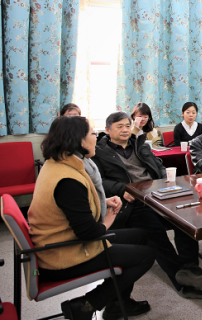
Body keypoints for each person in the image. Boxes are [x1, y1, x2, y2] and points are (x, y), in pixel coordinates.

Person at [29, 116, 154, 320]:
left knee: (140, 235)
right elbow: (89, 232)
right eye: (93, 134)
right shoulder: (67, 179)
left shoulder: (58, 163)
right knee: (146, 256)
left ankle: (118, 304)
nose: (96, 138)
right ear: (78, 140)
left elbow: (76, 205)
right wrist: (108, 219)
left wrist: (104, 201)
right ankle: (86, 305)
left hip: (60, 243)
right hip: (62, 255)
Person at [93, 112, 202, 299]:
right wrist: (122, 189)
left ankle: (191, 268)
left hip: (158, 193)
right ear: (108, 130)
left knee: (185, 220)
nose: (125, 130)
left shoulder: (139, 144)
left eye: (127, 126)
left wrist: (166, 178)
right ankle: (182, 281)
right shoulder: (99, 151)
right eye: (120, 126)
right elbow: (99, 181)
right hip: (133, 200)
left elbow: (159, 166)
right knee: (155, 233)